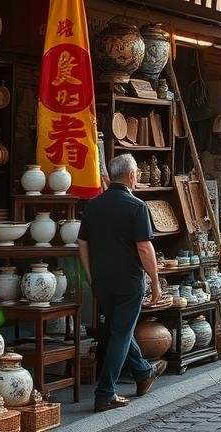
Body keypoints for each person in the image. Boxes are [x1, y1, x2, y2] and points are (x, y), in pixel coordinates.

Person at [78, 154, 166, 412]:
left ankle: (142, 372)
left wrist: (90, 275)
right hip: (128, 282)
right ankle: (105, 393)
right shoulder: (136, 206)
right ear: (131, 176)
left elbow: (82, 243)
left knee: (119, 330)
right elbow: (144, 248)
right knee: (121, 333)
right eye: (137, 173)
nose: (137, 176)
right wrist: (156, 281)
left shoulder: (93, 206)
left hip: (102, 281)